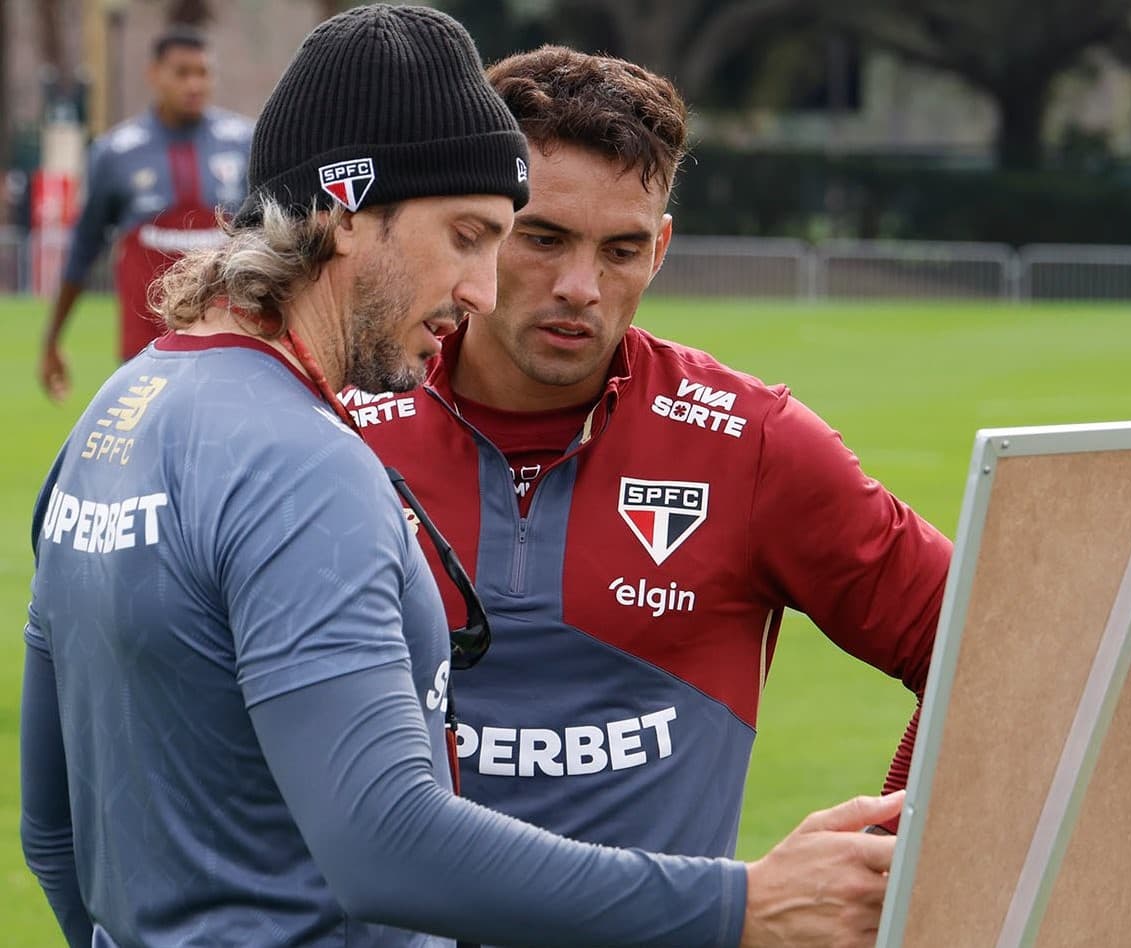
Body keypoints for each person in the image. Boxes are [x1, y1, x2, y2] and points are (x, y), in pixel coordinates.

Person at [20, 7, 904, 948]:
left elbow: (52, 831)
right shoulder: (309, 462)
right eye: (470, 234)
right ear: (347, 213)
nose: (481, 288)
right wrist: (742, 906)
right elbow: (386, 844)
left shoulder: (119, 411)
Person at [359, 45, 952, 858]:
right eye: (541, 238)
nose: (581, 286)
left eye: (621, 250)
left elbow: (994, 638)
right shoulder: (338, 423)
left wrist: (888, 851)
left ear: (662, 248)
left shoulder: (753, 442)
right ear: (479, 225)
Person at [39, 24, 253, 401]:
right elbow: (83, 250)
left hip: (231, 344)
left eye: (202, 73)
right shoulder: (116, 153)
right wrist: (53, 339)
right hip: (146, 353)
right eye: (182, 73)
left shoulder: (244, 142)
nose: (194, 84)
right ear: (154, 75)